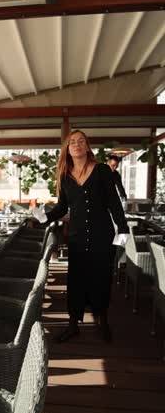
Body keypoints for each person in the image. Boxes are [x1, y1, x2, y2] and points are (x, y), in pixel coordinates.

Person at [33, 130, 129, 342]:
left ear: (87, 146)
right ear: (67, 149)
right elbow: (61, 208)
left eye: (81, 141)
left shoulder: (102, 170)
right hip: (76, 237)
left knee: (102, 279)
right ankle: (73, 324)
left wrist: (123, 228)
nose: (76, 145)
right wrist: (43, 218)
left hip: (102, 235)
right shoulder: (65, 176)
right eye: (72, 142)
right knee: (76, 280)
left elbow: (114, 203)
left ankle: (102, 320)